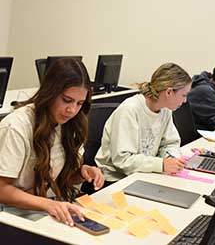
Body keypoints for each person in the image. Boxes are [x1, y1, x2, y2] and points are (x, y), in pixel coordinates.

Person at [0, 58, 105, 227]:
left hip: (50, 210)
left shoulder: (71, 124)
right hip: (14, 217)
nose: (72, 110)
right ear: (50, 92)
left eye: (79, 103)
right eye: (66, 100)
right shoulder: (17, 126)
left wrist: (82, 172)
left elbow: (57, 178)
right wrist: (49, 204)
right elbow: (1, 190)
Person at [95, 62, 192, 184]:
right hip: (115, 180)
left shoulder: (165, 110)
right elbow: (123, 161)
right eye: (183, 95)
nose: (185, 101)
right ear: (169, 92)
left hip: (142, 174)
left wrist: (170, 157)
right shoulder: (130, 110)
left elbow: (169, 143)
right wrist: (161, 164)